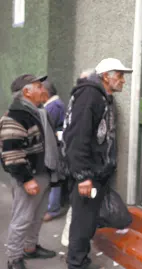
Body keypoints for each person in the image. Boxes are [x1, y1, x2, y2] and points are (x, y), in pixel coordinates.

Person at [61, 59, 132, 269]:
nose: (123, 80)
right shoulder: (90, 95)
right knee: (82, 224)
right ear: (105, 76)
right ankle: (76, 263)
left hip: (95, 174)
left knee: (87, 221)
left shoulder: (101, 96)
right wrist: (83, 176)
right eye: (119, 75)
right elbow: (78, 137)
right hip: (87, 175)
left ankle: (80, 260)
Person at [1, 74, 57, 269]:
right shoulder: (15, 116)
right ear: (26, 91)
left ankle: (30, 248)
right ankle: (14, 259)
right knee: (23, 218)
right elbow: (11, 152)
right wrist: (26, 179)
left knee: (37, 215)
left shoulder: (37, 112)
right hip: (30, 176)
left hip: (43, 172)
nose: (44, 90)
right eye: (39, 87)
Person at [60, 68, 95, 248]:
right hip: (78, 166)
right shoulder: (86, 97)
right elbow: (80, 137)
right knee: (78, 210)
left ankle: (71, 245)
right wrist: (82, 174)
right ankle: (73, 250)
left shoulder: (76, 97)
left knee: (77, 209)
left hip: (73, 163)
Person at [41, 79, 67, 222]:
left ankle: (53, 209)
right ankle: (51, 207)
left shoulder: (54, 106)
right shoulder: (52, 105)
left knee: (54, 177)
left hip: (54, 147)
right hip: (53, 146)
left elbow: (46, 127)